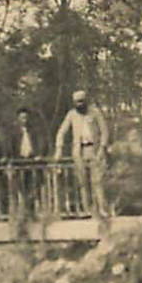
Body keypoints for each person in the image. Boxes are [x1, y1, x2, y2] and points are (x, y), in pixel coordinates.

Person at [55, 89, 111, 219]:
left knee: (97, 181)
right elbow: (61, 132)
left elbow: (105, 131)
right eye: (76, 102)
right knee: (82, 182)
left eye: (81, 101)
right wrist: (59, 148)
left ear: (86, 100)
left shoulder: (95, 112)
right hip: (79, 152)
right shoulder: (71, 115)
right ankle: (87, 210)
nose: (79, 104)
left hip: (94, 150)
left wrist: (102, 149)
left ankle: (102, 209)